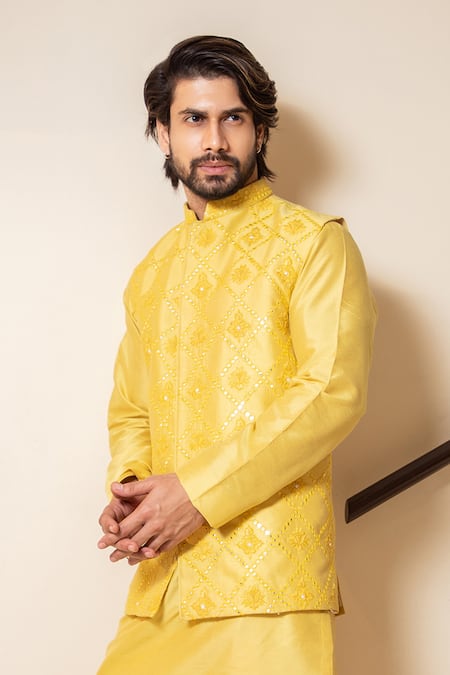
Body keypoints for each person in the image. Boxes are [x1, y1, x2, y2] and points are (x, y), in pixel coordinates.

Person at [97, 35, 376, 675]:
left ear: (259, 131)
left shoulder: (314, 244)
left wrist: (195, 493)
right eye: (194, 119)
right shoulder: (151, 273)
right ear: (163, 134)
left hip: (269, 577)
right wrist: (132, 490)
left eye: (234, 118)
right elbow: (132, 408)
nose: (215, 140)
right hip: (165, 577)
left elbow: (331, 393)